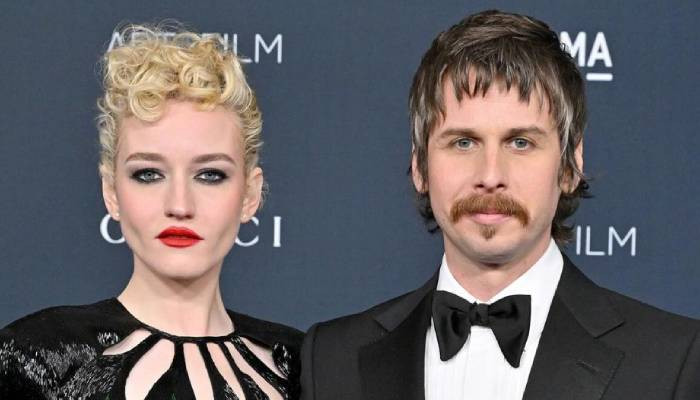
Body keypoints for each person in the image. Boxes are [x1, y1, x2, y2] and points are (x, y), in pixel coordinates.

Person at [300, 10, 699, 400]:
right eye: (463, 142)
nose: (490, 175)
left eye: (520, 143)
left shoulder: (673, 361)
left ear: (570, 166)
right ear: (420, 166)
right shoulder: (332, 358)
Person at [0, 24, 301, 399]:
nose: (179, 205)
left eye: (210, 175)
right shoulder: (38, 358)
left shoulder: (301, 367)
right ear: (112, 191)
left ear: (250, 195)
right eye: (148, 174)